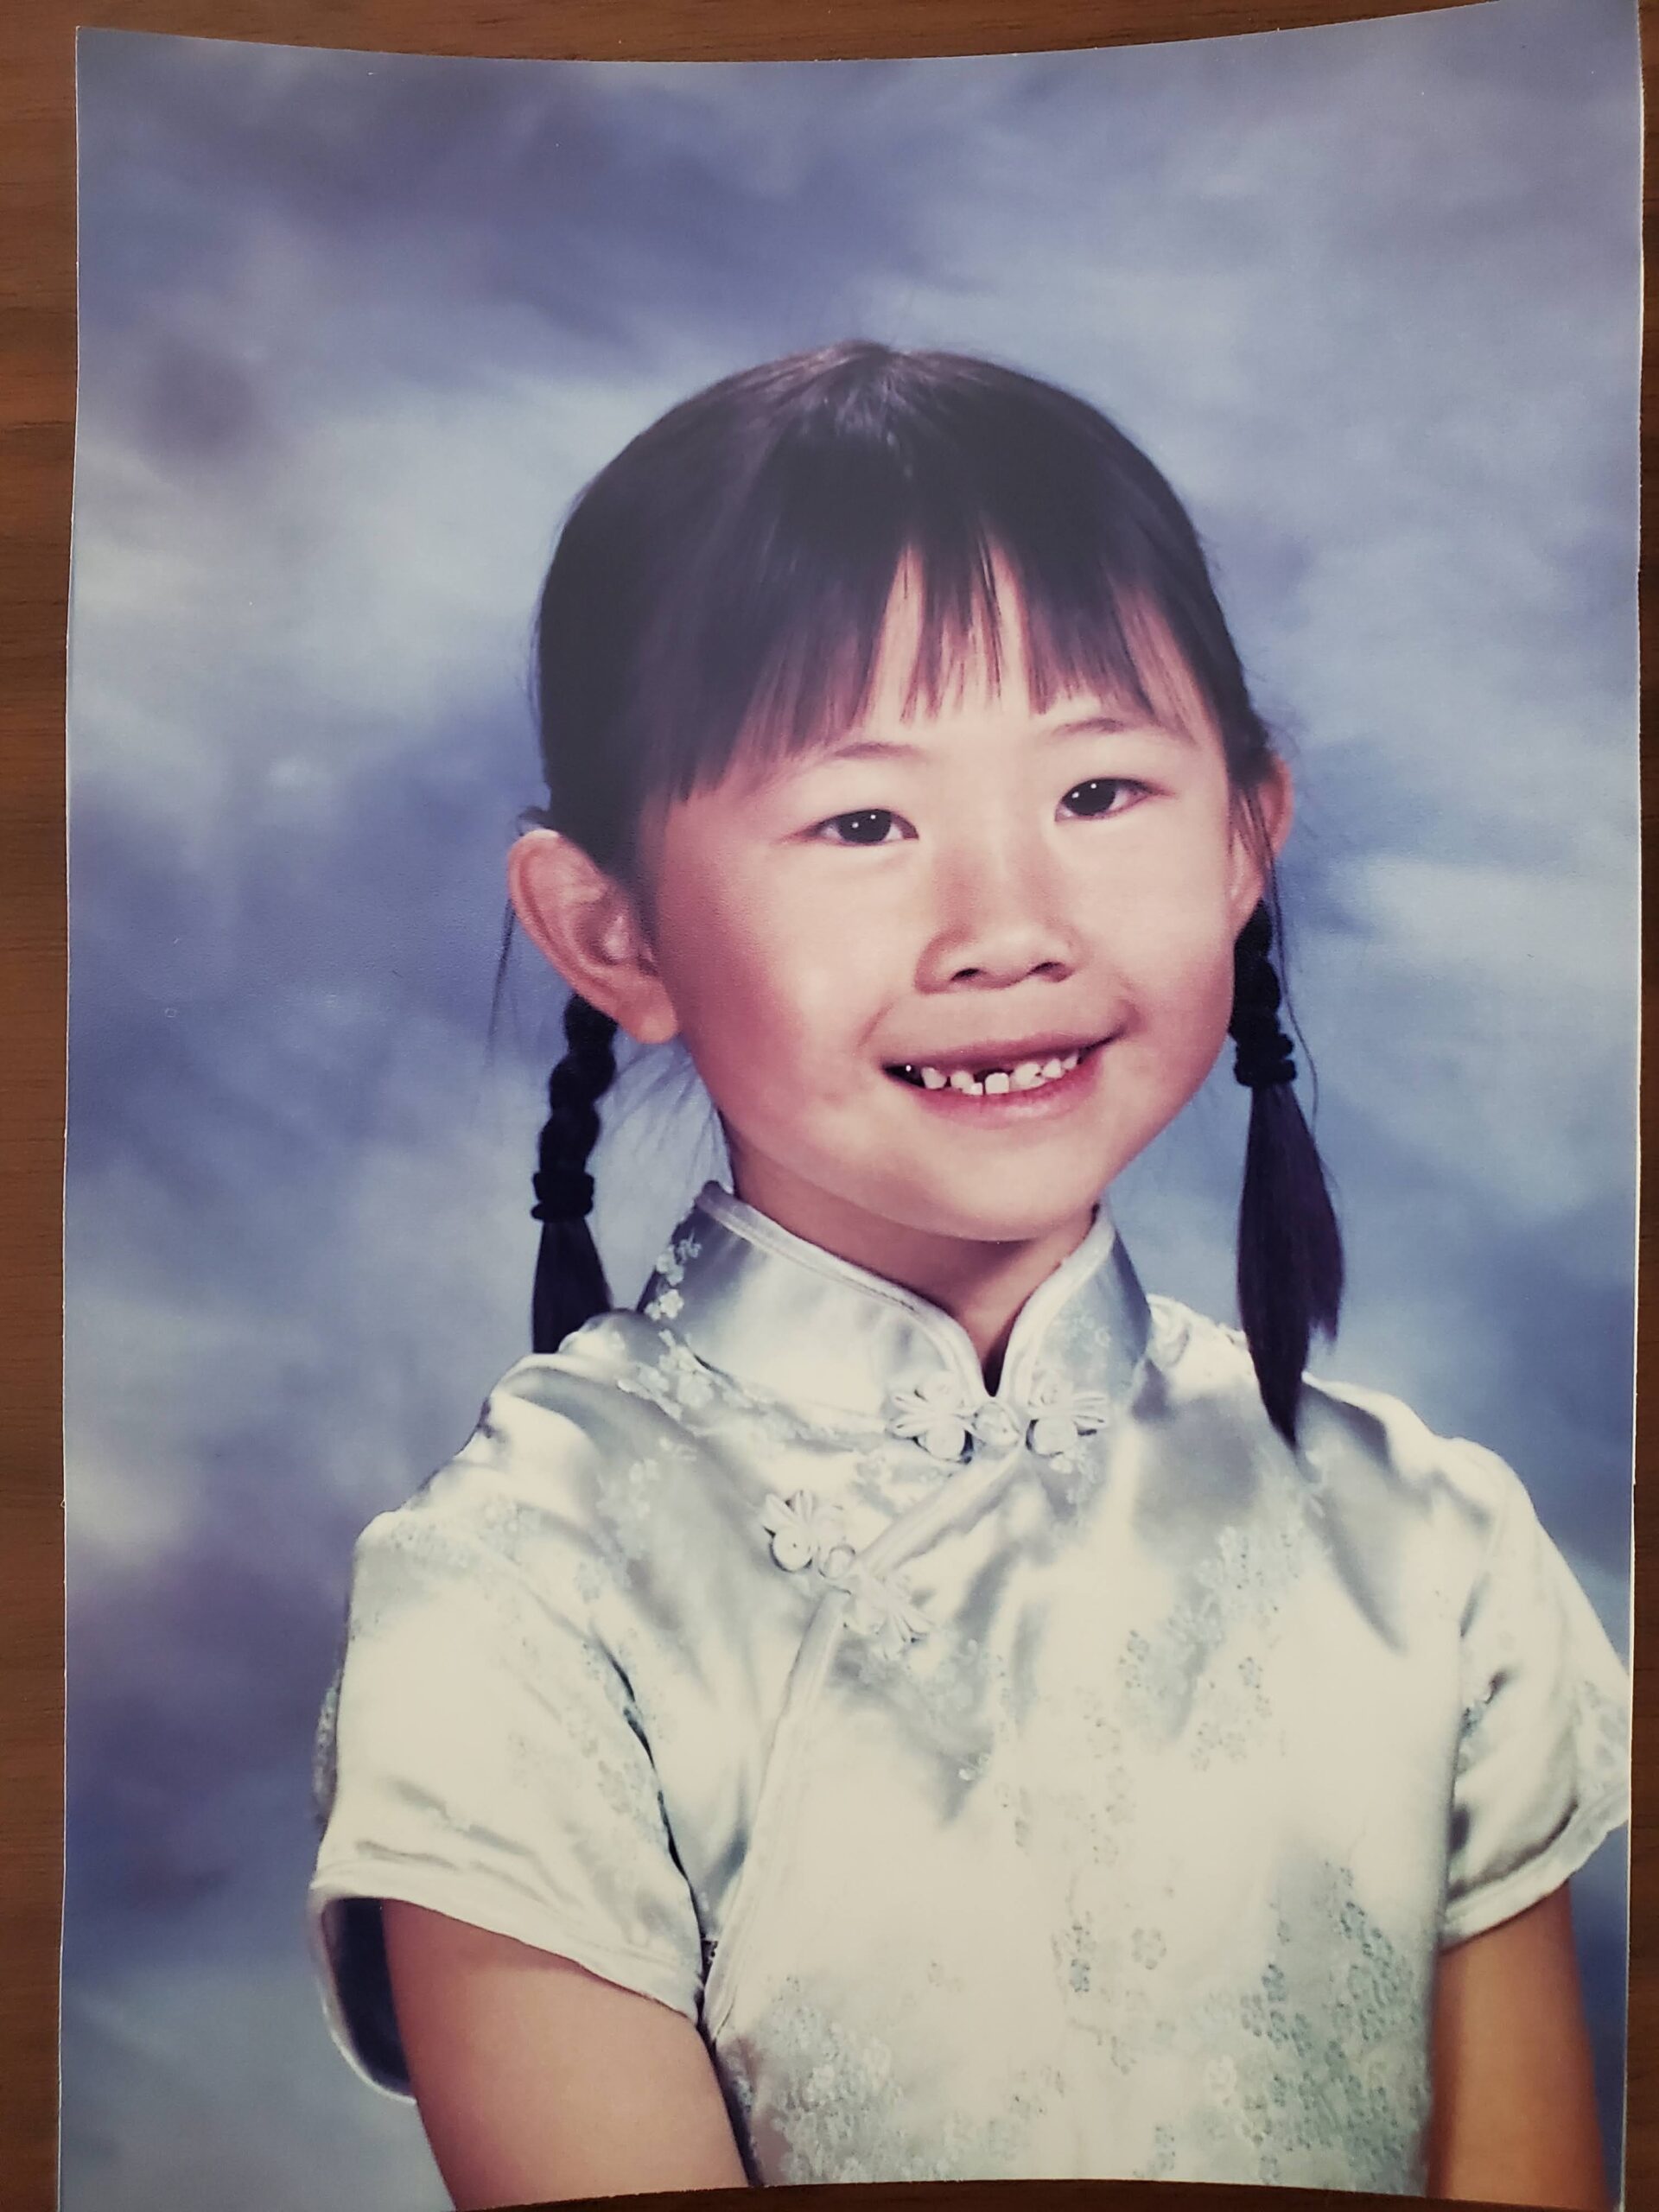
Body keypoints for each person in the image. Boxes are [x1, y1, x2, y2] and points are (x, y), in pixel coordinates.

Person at [307, 343, 1630, 2209]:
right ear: (613, 933)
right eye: (865, 821)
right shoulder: (524, 1595)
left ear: (1246, 837)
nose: (1007, 929)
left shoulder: (1432, 1545)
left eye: (1099, 790)